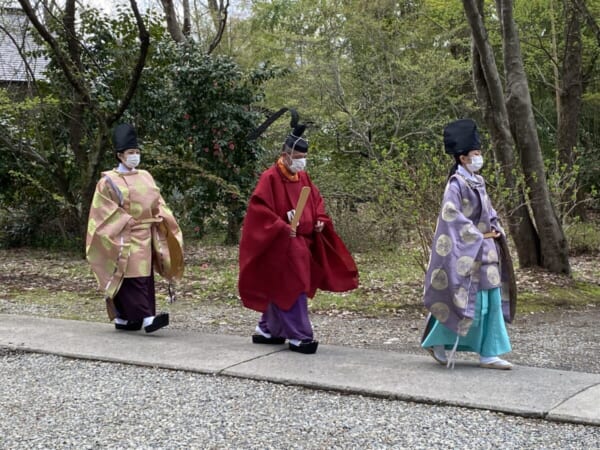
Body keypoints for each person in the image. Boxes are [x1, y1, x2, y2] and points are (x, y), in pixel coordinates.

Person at [238, 114, 359, 354]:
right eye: (297, 158)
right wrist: (283, 227)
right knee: (293, 284)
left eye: (304, 158)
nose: (301, 163)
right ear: (285, 156)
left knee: (283, 285)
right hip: (280, 242)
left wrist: (320, 221)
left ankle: (268, 329)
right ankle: (299, 335)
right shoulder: (269, 178)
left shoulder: (303, 177)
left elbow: (316, 203)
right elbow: (259, 212)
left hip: (303, 241)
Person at [421, 119, 516, 369]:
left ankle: (489, 352)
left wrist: (495, 227)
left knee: (490, 303)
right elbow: (451, 216)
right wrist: (476, 235)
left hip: (487, 251)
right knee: (460, 300)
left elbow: (490, 211)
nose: (479, 157)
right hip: (468, 251)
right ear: (463, 158)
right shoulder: (456, 184)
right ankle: (437, 342)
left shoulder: (479, 181)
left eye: (479, 153)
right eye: (475, 154)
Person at [86, 123, 184, 333]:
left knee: (143, 276)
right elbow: (102, 210)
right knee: (128, 275)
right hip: (122, 235)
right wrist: (124, 220)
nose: (135, 156)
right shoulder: (108, 181)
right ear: (120, 155)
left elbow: (158, 201)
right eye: (131, 152)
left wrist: (161, 217)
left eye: (137, 152)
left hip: (146, 232)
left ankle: (125, 318)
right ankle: (146, 317)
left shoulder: (145, 175)